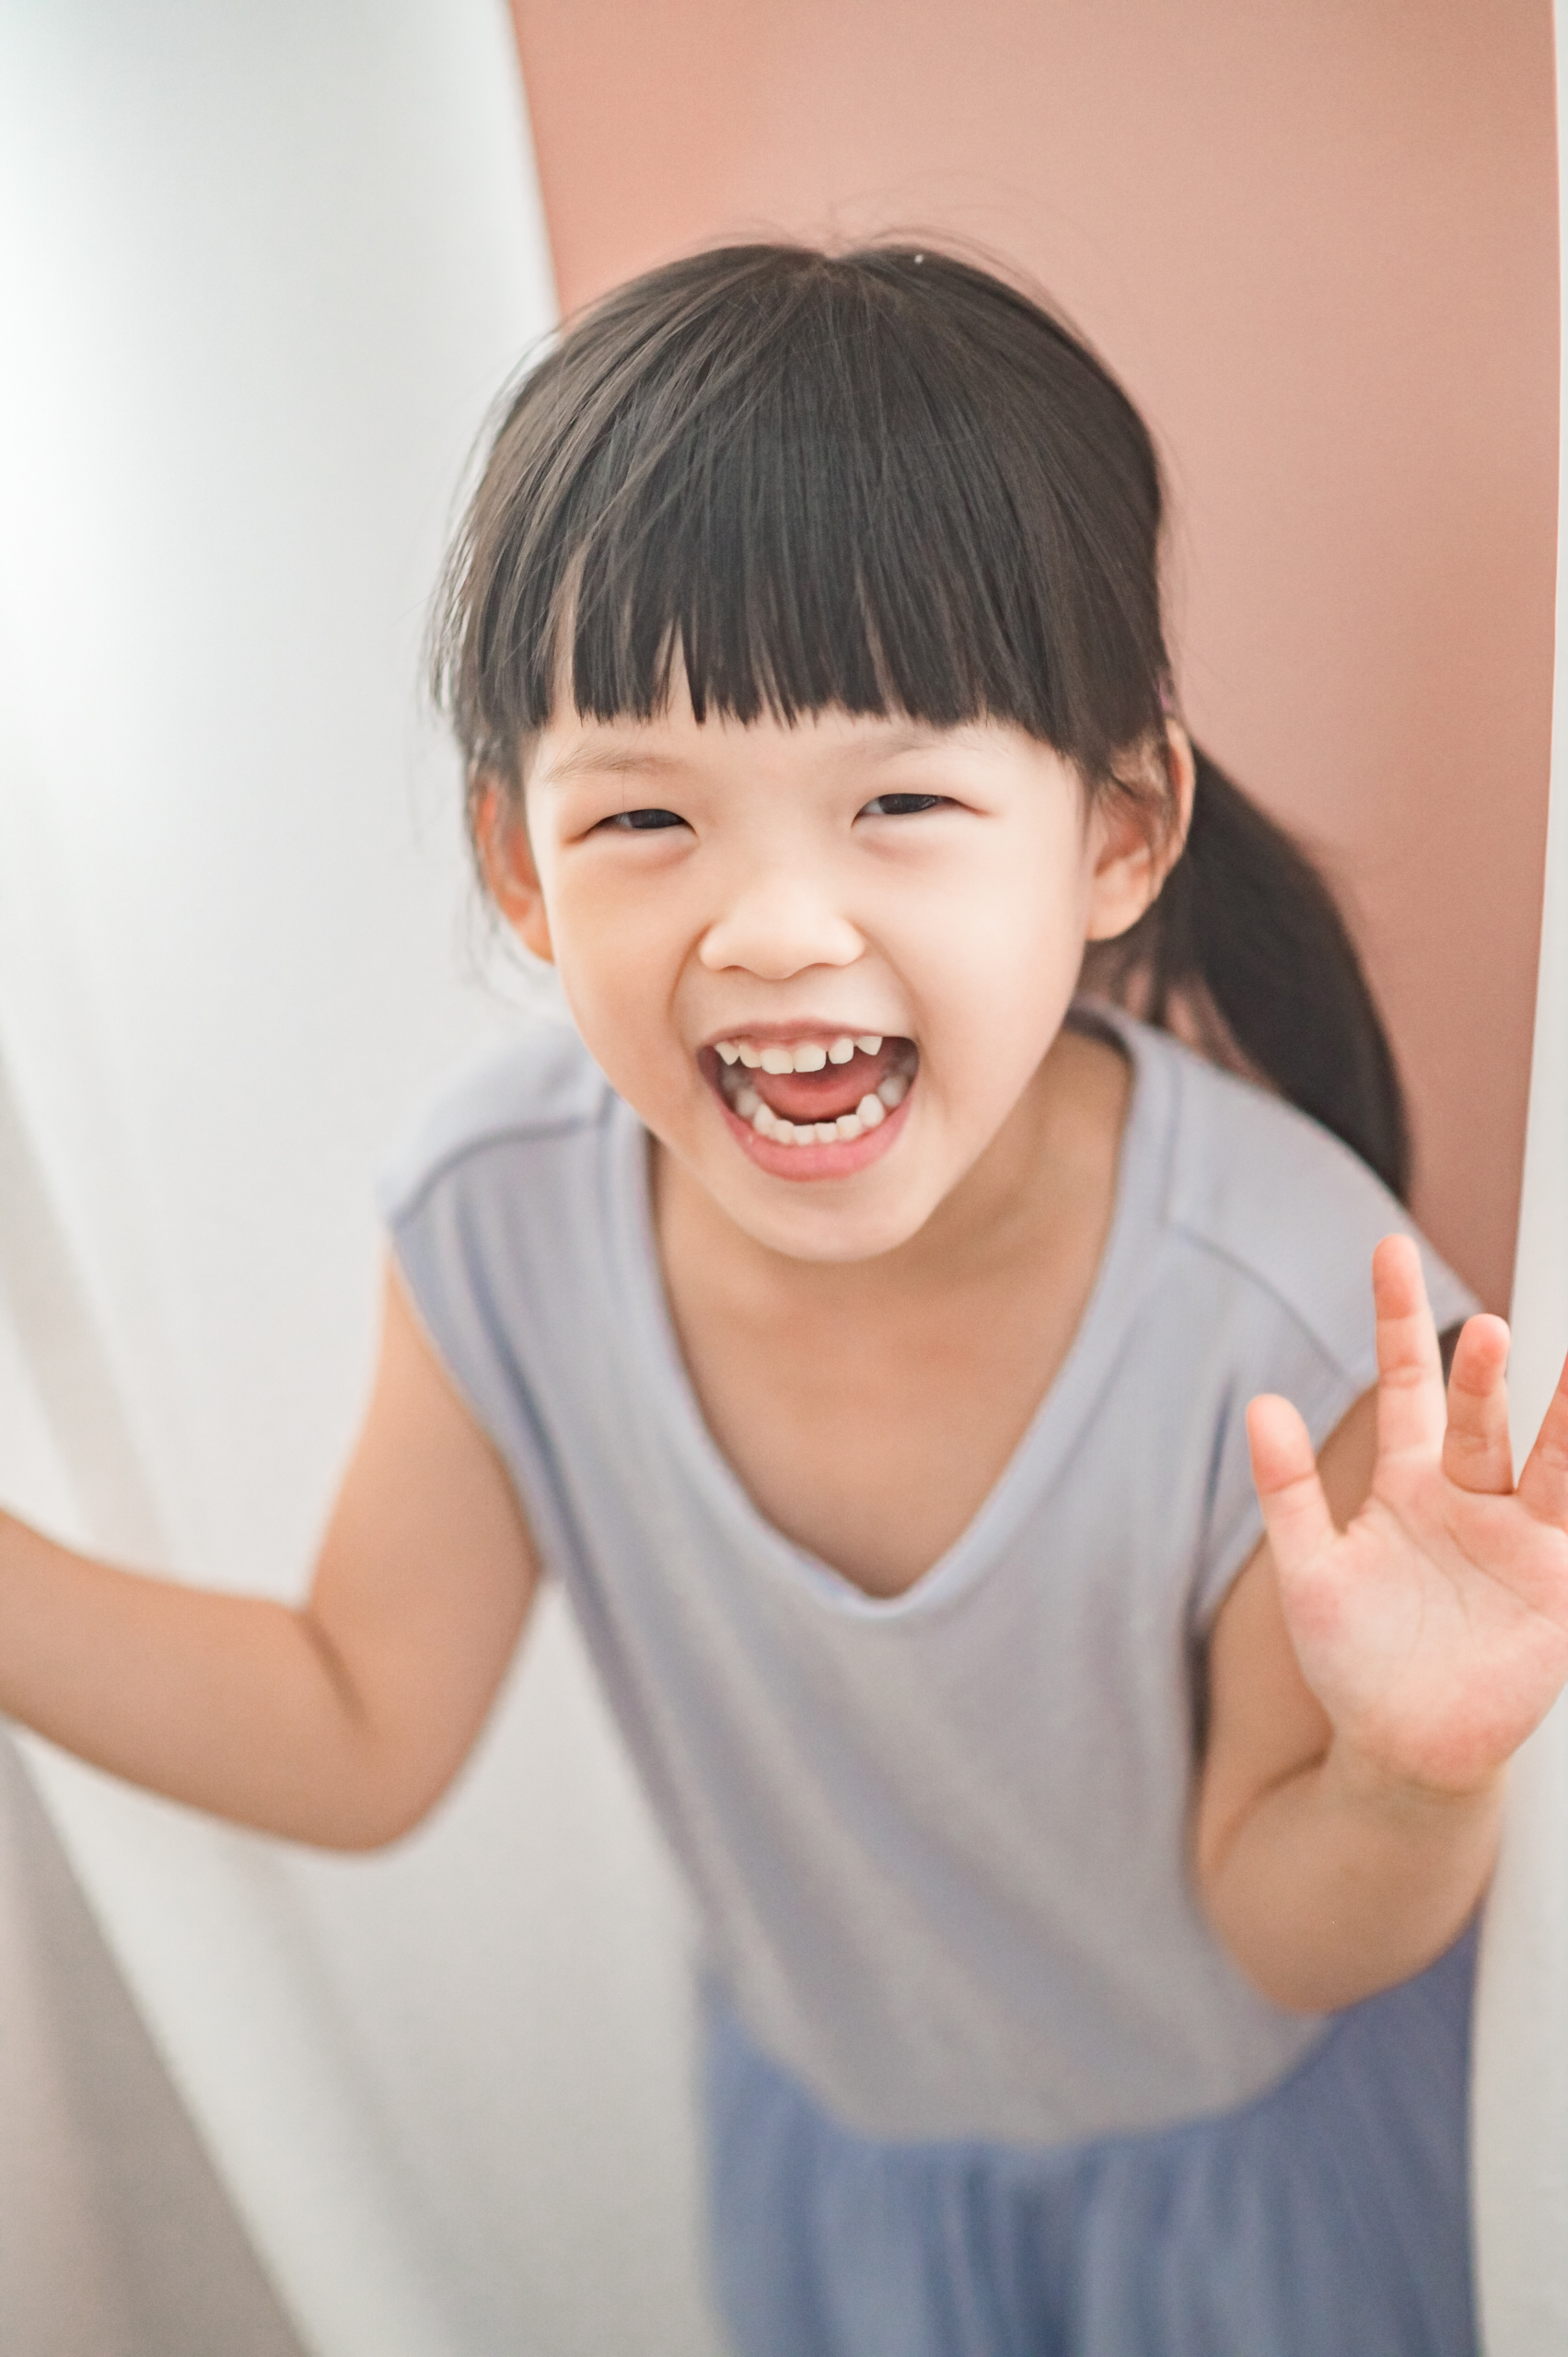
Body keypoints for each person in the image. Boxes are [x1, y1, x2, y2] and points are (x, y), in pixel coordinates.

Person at [2, 242, 1565, 2357]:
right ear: (520, 866)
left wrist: (1411, 1773)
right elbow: (357, 1720)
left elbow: (1283, 1927)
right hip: (835, 2185)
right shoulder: (500, 1226)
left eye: (900, 803)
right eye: (646, 814)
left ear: (1118, 831)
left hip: (1255, 2209)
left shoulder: (1291, 1324)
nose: (771, 924)